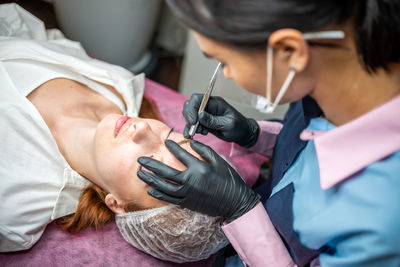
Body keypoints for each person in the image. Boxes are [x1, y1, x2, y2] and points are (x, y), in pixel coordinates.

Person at [137, 1, 400, 266]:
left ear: (289, 51)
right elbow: (312, 147)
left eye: (224, 61)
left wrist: (240, 209)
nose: (226, 74)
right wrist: (255, 134)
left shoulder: (383, 221)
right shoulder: (333, 84)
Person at [0, 4, 228, 263]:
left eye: (150, 163)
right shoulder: (121, 85)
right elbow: (34, 36)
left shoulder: (17, 201)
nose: (143, 127)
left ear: (116, 203)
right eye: (171, 138)